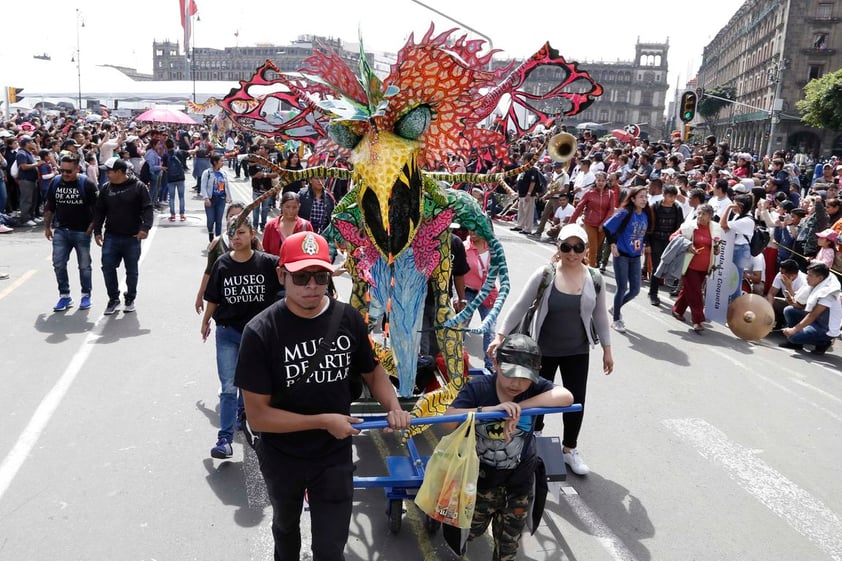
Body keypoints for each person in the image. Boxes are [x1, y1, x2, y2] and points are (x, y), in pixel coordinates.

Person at [234, 231, 411, 561]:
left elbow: (372, 371)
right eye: (301, 277)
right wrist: (323, 421)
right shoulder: (261, 332)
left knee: (330, 548)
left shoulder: (348, 319)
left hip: (333, 455)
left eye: (320, 276)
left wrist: (393, 406)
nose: (312, 286)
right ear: (281, 275)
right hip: (281, 455)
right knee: (286, 529)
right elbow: (258, 416)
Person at [488, 224, 613, 475]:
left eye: (578, 247)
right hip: (541, 351)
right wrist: (500, 335)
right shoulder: (545, 274)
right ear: (559, 247)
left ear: (586, 249)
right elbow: (520, 306)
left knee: (576, 400)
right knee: (536, 399)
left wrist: (607, 350)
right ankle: (533, 440)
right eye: (567, 247)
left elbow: (600, 316)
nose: (572, 253)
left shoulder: (594, 278)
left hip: (577, 351)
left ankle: (570, 449)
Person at [444, 333, 574, 561]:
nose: (516, 383)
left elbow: (566, 396)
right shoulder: (480, 388)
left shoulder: (532, 389)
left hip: (518, 486)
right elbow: (448, 421)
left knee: (508, 548)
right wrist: (489, 411)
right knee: (464, 534)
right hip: (479, 484)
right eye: (509, 374)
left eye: (524, 377)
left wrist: (519, 406)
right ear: (495, 364)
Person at [201, 216, 282, 459]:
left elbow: (292, 270)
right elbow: (213, 297)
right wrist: (206, 320)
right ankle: (224, 439)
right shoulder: (222, 264)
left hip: (257, 337)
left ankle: (248, 423)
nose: (236, 238)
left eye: (242, 233)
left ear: (253, 235)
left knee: (254, 388)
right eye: (232, 233)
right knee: (228, 387)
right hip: (227, 333)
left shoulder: (268, 263)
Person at [93, 157, 154, 315]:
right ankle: (113, 299)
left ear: (120, 172)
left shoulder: (138, 187)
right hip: (111, 237)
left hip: (132, 238)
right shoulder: (106, 189)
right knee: (107, 267)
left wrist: (145, 228)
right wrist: (97, 231)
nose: (107, 174)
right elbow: (99, 211)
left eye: (109, 171)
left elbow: (147, 208)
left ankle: (130, 298)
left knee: (131, 270)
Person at [43, 153, 98, 312]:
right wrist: (47, 227)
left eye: (69, 171)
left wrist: (93, 226)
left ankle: (86, 295)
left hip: (82, 232)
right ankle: (64, 296)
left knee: (84, 266)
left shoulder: (87, 184)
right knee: (58, 264)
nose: (65, 174)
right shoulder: (56, 182)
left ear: (77, 169)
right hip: (61, 231)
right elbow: (49, 206)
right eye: (62, 170)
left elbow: (97, 209)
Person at [603, 186, 651, 333]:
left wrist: (644, 245)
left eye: (645, 196)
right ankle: (616, 319)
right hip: (621, 255)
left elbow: (645, 232)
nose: (644, 199)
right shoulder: (625, 213)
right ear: (632, 199)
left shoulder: (645, 215)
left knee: (635, 289)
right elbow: (607, 227)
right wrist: (612, 244)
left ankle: (615, 307)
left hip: (636, 256)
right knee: (622, 287)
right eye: (641, 197)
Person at [670, 204, 721, 332]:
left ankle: (677, 310)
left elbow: (715, 246)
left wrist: (716, 249)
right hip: (689, 265)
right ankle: (698, 320)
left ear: (710, 216)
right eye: (699, 213)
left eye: (704, 214)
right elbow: (673, 237)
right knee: (696, 292)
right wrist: (687, 246)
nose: (700, 216)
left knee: (690, 290)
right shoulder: (689, 227)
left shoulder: (714, 229)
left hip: (704, 267)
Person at [780, 262, 841, 354]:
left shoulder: (828, 292)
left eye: (810, 275)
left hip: (824, 328)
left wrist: (794, 330)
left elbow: (813, 315)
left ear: (820, 278)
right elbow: (801, 305)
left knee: (793, 337)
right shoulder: (816, 284)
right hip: (816, 321)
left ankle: (823, 342)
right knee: (789, 310)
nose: (806, 277)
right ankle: (797, 344)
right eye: (807, 274)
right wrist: (789, 289)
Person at [463, 228, 499, 371]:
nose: (472, 231)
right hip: (468, 292)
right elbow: (457, 273)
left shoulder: (494, 248)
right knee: (461, 328)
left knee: (489, 329)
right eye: (469, 228)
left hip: (488, 293)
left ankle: (490, 365)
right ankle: (458, 362)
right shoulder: (464, 247)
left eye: (476, 228)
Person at [646, 185, 684, 306]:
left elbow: (679, 227)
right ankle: (653, 294)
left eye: (674, 196)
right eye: (670, 196)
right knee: (657, 268)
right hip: (656, 239)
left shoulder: (677, 208)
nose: (672, 199)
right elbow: (648, 226)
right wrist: (647, 243)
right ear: (664, 195)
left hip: (670, 241)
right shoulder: (655, 207)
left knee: (667, 267)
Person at [568, 171, 614, 268]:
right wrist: (571, 223)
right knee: (593, 248)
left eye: (603, 180)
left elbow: (611, 211)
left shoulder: (610, 194)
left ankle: (583, 261)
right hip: (590, 223)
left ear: (606, 182)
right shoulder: (589, 193)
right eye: (598, 180)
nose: (600, 183)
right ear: (595, 181)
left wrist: (603, 224)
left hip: (603, 226)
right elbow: (579, 208)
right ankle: (592, 270)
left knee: (595, 248)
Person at [719, 194, 755, 303]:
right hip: (734, 248)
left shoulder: (747, 220)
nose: (733, 206)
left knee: (735, 280)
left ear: (741, 206)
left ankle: (735, 307)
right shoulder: (739, 216)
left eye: (735, 204)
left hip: (741, 250)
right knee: (730, 278)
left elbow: (723, 224)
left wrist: (728, 208)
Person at [262, 191, 314, 257]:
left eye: (294, 207)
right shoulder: (270, 226)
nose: (291, 211)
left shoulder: (306, 226)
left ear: (299, 206)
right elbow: (266, 251)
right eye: (287, 207)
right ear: (281, 206)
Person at [766, 259, 808, 329]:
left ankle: (790, 326)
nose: (780, 274)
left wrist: (789, 287)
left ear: (792, 275)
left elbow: (799, 303)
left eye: (783, 273)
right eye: (780, 272)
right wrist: (769, 307)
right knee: (766, 301)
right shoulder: (780, 275)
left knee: (789, 309)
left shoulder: (804, 281)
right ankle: (778, 322)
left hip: (798, 307)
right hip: (786, 301)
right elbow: (771, 294)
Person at [200, 154, 231, 243]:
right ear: (215, 162)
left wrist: (228, 197)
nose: (223, 162)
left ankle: (218, 240)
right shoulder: (207, 173)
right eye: (221, 161)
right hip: (210, 199)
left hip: (221, 199)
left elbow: (226, 186)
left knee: (219, 220)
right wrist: (206, 198)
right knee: (210, 220)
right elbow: (203, 186)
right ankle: (210, 232)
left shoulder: (223, 173)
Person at [248, 145, 277, 232]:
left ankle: (263, 225)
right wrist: (255, 176)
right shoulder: (255, 160)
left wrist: (265, 175)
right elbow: (250, 173)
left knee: (265, 210)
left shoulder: (272, 161)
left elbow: (276, 174)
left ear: (267, 150)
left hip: (267, 191)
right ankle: (255, 226)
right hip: (256, 190)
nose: (259, 150)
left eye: (261, 148)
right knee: (255, 209)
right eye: (259, 148)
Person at [15, 136, 41, 226]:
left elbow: (39, 153)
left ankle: (31, 216)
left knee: (33, 200)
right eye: (32, 142)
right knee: (26, 200)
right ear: (27, 144)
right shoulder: (21, 153)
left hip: (32, 180)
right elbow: (23, 166)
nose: (33, 143)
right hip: (26, 180)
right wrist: (37, 164)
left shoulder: (29, 153)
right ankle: (25, 219)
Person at [163, 139, 188, 222]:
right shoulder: (179, 152)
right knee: (181, 197)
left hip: (170, 178)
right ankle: (182, 215)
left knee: (172, 198)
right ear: (173, 145)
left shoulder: (165, 155)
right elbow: (186, 157)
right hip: (180, 177)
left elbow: (165, 167)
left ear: (166, 146)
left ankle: (172, 215)